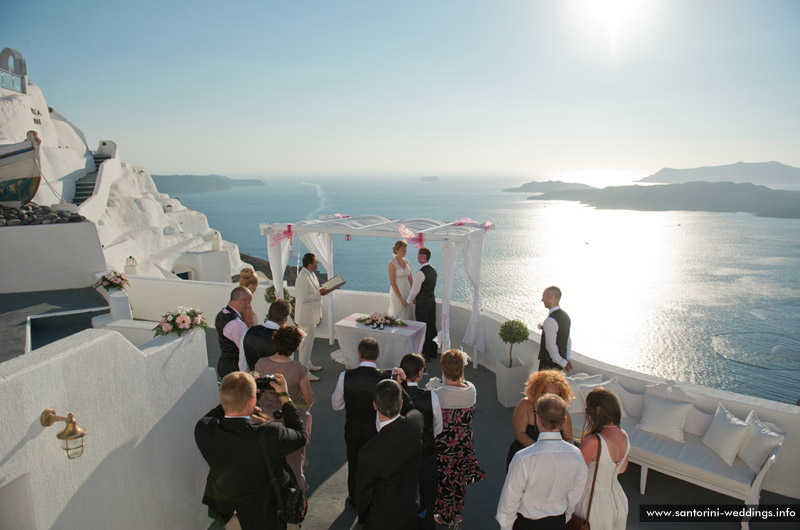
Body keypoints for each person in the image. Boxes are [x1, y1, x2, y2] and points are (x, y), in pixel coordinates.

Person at [194, 371, 307, 530]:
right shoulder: (270, 434)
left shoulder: (204, 429)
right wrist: (284, 396)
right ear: (252, 400)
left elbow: (220, 411)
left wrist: (238, 394)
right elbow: (301, 436)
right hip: (268, 515)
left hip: (232, 515)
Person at [331, 337, 413, 505]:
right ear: (378, 355)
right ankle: (375, 499)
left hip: (353, 429)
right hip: (378, 431)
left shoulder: (345, 376)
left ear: (359, 354)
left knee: (354, 464)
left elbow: (336, 405)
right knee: (378, 466)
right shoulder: (387, 378)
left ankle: (355, 498)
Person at [496, 394, 588, 530]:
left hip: (526, 524)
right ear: (564, 422)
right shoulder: (576, 455)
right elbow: (576, 493)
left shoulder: (523, 458)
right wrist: (565, 516)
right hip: (558, 522)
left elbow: (509, 500)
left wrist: (506, 526)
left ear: (537, 419)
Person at [355, 379, 424, 530]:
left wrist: (365, 517)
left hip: (381, 519)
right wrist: (402, 383)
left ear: (375, 405)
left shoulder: (368, 452)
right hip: (411, 510)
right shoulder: (415, 426)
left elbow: (363, 494)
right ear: (400, 404)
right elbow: (414, 410)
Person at [255, 325, 314, 493]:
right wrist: (302, 410)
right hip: (291, 416)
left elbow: (257, 391)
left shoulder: (261, 363)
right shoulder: (300, 369)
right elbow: (308, 397)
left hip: (266, 416)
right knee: (294, 462)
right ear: (296, 346)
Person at [434, 348, 485, 527]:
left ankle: (445, 516)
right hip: (464, 442)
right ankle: (456, 514)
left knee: (446, 480)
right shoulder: (471, 390)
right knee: (459, 479)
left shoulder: (438, 395)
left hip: (444, 445)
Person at [573, 388, 630, 530]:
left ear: (597, 410)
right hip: (617, 498)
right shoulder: (623, 435)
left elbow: (575, 473)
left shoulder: (594, 441)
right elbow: (622, 469)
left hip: (594, 502)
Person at [400, 353, 443, 530]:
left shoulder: (394, 394)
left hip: (401, 458)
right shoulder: (430, 397)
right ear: (419, 374)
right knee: (427, 495)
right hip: (426, 454)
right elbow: (438, 427)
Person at [506, 370, 574, 469]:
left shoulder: (563, 411)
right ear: (538, 392)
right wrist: (541, 452)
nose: (550, 399)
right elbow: (520, 434)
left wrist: (557, 455)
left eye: (555, 395)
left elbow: (569, 438)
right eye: (546, 394)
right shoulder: (525, 405)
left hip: (553, 461)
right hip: (526, 456)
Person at [294, 253, 331, 381]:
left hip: (311, 316)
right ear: (310, 264)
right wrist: (319, 293)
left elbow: (313, 291)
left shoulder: (311, 274)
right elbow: (303, 298)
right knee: (305, 345)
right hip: (305, 317)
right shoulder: (303, 277)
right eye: (316, 261)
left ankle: (308, 364)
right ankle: (304, 373)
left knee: (309, 344)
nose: (317, 263)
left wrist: (322, 291)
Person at [406, 247, 438, 361]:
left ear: (422, 257)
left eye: (419, 255)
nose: (418, 257)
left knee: (423, 328)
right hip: (431, 302)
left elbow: (415, 290)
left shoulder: (420, 273)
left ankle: (425, 355)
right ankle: (433, 352)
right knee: (431, 326)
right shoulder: (433, 270)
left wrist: (408, 300)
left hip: (423, 304)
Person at [243, 299, 291, 371]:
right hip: (276, 380)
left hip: (252, 378)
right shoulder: (285, 338)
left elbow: (243, 361)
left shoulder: (248, 332)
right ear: (285, 319)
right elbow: (287, 366)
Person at [215, 286, 253, 378]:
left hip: (223, 364)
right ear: (241, 302)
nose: (248, 306)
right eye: (248, 303)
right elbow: (244, 350)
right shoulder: (237, 324)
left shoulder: (220, 314)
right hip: (234, 370)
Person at [538, 286, 573, 372]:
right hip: (558, 367)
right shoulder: (566, 316)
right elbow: (568, 339)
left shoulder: (550, 320)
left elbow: (551, 347)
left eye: (544, 296)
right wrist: (567, 359)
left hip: (548, 366)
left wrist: (563, 363)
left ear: (551, 297)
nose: (542, 300)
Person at [387, 240, 414, 320]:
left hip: (407, 292)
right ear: (396, 250)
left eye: (405, 251)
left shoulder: (407, 261)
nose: (404, 253)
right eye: (402, 251)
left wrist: (413, 295)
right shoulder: (392, 264)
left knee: (408, 314)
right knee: (398, 315)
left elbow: (410, 278)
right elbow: (392, 283)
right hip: (397, 294)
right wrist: (401, 299)